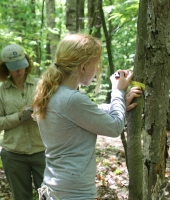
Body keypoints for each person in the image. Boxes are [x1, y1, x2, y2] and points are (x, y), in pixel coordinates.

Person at [32, 33, 142, 200]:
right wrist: (118, 91)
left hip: (55, 188)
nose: (98, 69)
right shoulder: (72, 99)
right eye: (96, 64)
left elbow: (83, 115)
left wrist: (118, 104)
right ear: (83, 67)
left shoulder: (54, 93)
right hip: (73, 193)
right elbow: (114, 127)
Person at [0, 44, 46, 200]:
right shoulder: (1, 92)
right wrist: (19, 116)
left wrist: (38, 112)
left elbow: (54, 114)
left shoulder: (40, 85)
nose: (18, 71)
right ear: (5, 68)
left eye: (21, 66)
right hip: (14, 154)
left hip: (41, 151)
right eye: (13, 67)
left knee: (50, 196)